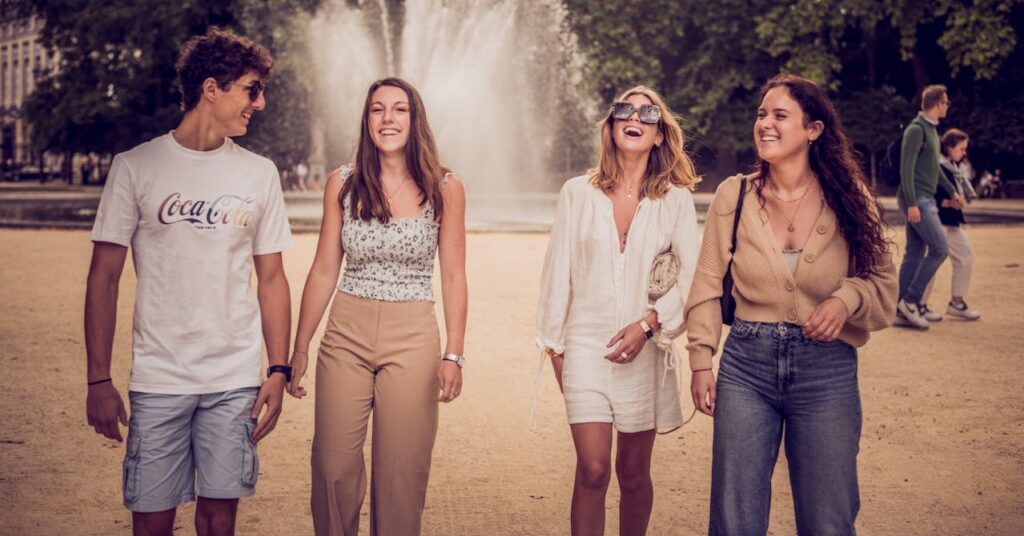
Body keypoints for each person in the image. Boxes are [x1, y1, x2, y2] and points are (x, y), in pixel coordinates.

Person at [84, 28, 292, 536]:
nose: (260, 103)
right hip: (159, 379)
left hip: (234, 379)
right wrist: (98, 379)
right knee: (151, 523)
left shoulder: (260, 173)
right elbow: (103, 278)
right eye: (252, 90)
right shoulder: (135, 167)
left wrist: (278, 369)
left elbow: (272, 279)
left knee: (220, 522)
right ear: (211, 88)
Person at [685, 74, 897, 535]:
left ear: (813, 129)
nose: (765, 123)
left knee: (828, 518)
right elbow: (706, 283)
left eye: (780, 115)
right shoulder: (733, 196)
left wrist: (845, 300)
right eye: (762, 114)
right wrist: (701, 359)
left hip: (827, 371)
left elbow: (884, 285)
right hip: (746, 368)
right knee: (734, 518)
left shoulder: (850, 198)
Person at [286, 77, 467, 536]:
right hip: (346, 331)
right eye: (377, 109)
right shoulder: (343, 183)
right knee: (332, 467)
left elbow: (453, 275)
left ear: (414, 119)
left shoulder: (446, 187)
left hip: (413, 336)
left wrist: (454, 353)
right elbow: (323, 269)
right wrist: (300, 348)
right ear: (367, 120)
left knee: (401, 474)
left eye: (399, 109)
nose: (388, 118)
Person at [536, 85, 700, 535]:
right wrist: (555, 347)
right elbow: (557, 272)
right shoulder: (577, 193)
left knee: (633, 473)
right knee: (592, 469)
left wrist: (649, 324)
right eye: (625, 109)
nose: (635, 117)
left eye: (648, 113)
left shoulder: (676, 201)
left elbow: (690, 278)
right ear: (611, 127)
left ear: (660, 135)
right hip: (585, 347)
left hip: (646, 350)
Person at [895, 84, 963, 329]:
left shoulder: (932, 130)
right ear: (937, 104)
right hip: (918, 200)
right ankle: (911, 301)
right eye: (946, 102)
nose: (948, 106)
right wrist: (912, 203)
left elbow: (934, 169)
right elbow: (906, 169)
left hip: (926, 198)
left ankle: (898, 307)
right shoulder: (916, 130)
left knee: (914, 253)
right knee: (940, 249)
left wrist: (952, 190)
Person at [920, 129, 981, 320]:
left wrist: (955, 202)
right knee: (932, 262)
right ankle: (918, 304)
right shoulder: (937, 166)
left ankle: (956, 303)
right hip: (937, 221)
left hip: (950, 221)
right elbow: (926, 195)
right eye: (961, 148)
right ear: (949, 147)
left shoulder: (953, 167)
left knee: (964, 257)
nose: (964, 153)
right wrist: (948, 203)